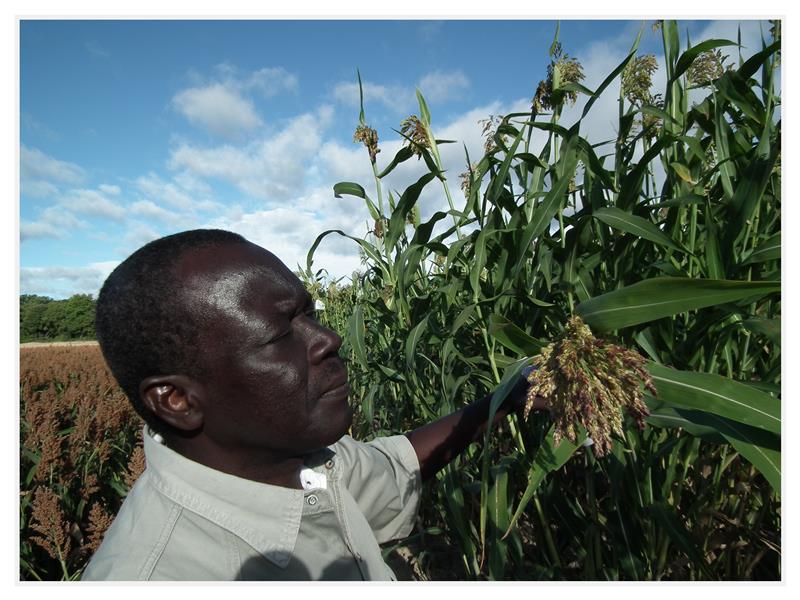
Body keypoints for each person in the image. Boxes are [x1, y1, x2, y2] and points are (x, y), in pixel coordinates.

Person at [81, 229, 544, 581]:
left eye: (310, 313)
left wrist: (508, 394)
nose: (329, 339)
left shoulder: (288, 460)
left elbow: (396, 464)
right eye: (281, 334)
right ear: (177, 400)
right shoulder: (158, 574)